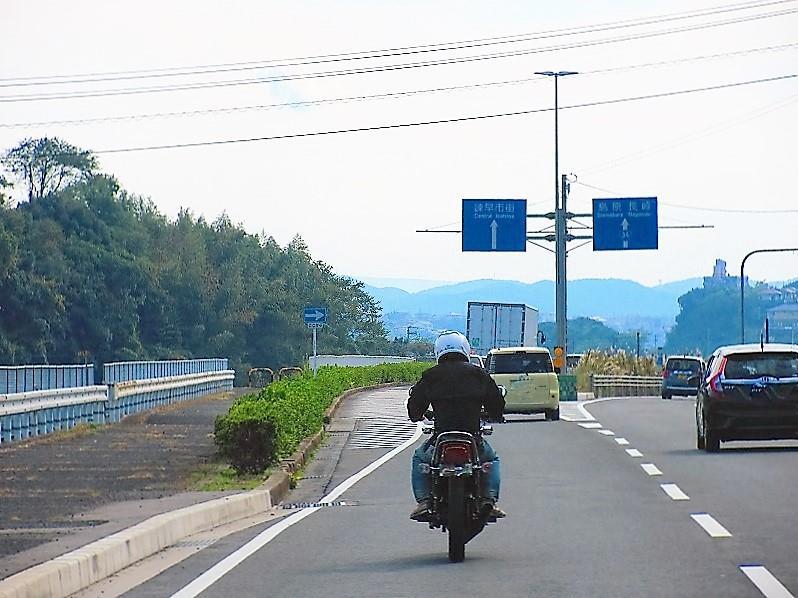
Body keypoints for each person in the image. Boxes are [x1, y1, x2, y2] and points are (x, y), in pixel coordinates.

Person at [407, 331, 506, 520]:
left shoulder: (430, 375)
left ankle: (425, 501)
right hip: (473, 437)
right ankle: (489, 499)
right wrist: (494, 415)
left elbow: (414, 407)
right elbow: (496, 403)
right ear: (465, 350)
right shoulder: (478, 374)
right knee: (491, 460)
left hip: (441, 437)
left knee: (420, 458)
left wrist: (418, 415)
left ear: (439, 351)